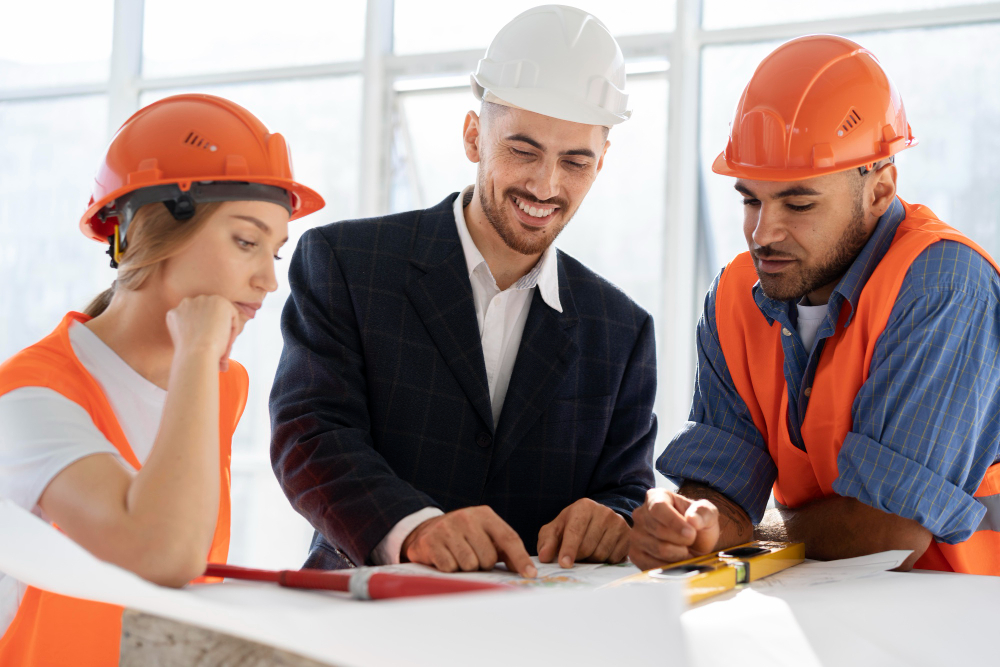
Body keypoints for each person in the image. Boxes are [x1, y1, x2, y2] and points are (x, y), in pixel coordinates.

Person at [271, 5, 656, 576]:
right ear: (475, 136)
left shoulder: (621, 330)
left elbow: (625, 487)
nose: (545, 185)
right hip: (361, 620)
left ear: (600, 164)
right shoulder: (348, 265)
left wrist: (612, 515)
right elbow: (310, 434)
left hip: (526, 636)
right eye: (523, 151)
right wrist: (415, 527)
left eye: (574, 161)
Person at [633, 35, 1000, 575]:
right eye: (750, 199)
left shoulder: (943, 287)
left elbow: (887, 529)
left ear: (879, 189)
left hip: (961, 623)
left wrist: (748, 538)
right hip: (826, 619)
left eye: (798, 202)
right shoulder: (736, 298)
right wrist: (697, 523)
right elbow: (723, 488)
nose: (763, 233)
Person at [0, 94, 324, 665]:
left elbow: (189, 583)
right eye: (246, 242)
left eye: (274, 252)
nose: (268, 281)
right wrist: (197, 353)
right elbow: (164, 552)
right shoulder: (28, 395)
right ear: (150, 230)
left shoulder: (223, 384)